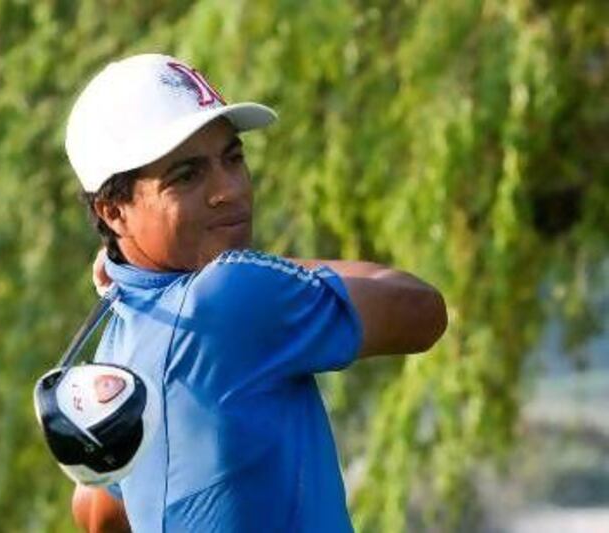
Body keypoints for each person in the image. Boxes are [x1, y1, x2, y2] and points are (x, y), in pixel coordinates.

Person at [63, 54, 447, 533]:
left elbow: (97, 512)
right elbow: (421, 308)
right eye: (186, 176)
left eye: (233, 158)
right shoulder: (233, 295)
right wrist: (247, 269)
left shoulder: (114, 350)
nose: (230, 190)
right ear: (114, 211)